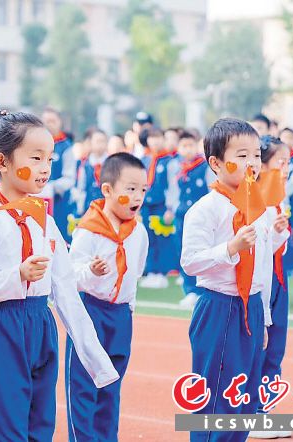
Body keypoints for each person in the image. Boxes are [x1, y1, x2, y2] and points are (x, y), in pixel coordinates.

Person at [0, 110, 119, 440]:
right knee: (3, 428)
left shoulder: (44, 220)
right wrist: (16, 276)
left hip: (41, 326)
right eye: (36, 157)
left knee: (40, 426)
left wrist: (96, 360)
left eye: (50, 158)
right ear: (2, 162)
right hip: (1, 327)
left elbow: (64, 286)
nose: (46, 167)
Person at [181, 118, 289, 442]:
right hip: (218, 306)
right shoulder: (205, 209)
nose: (252, 163)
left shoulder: (260, 208)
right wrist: (230, 248)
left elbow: (263, 268)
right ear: (216, 163)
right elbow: (190, 262)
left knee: (244, 399)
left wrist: (264, 318)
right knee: (215, 397)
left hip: (252, 308)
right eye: (241, 156)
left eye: (256, 155)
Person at [66, 152, 149, 441]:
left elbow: (134, 273)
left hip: (120, 315)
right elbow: (71, 277)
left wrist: (130, 309)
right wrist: (91, 272)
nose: (138, 197)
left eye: (143, 190)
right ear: (107, 190)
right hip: (91, 311)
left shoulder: (138, 232)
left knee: (111, 385)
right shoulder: (89, 231)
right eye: (131, 188)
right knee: (84, 384)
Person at [247, 135, 293, 440]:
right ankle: (250, 412)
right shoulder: (250, 198)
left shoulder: (278, 198)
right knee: (256, 345)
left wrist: (279, 233)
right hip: (256, 278)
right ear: (262, 165)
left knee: (275, 344)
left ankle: (264, 408)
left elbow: (277, 244)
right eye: (281, 162)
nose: (286, 169)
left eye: (288, 162)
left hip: (278, 277)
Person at [169, 131, 214, 308]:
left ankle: (203, 289)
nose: (187, 149)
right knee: (184, 252)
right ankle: (190, 291)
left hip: (201, 217)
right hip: (181, 215)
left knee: (202, 251)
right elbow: (173, 191)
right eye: (184, 146)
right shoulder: (176, 167)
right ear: (178, 148)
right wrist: (171, 208)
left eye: (191, 145)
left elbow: (212, 189)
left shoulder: (205, 166)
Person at [139, 127, 177, 290]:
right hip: (146, 205)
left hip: (161, 205)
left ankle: (162, 273)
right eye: (151, 138)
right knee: (149, 239)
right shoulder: (145, 160)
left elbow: (172, 187)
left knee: (162, 238)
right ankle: (152, 271)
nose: (154, 141)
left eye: (157, 137)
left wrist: (170, 207)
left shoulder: (169, 161)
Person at [41, 107, 76, 243]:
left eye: (52, 121)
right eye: (46, 121)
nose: (49, 124)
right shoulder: (37, 143)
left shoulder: (65, 146)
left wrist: (51, 186)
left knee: (58, 238)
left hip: (59, 202)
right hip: (38, 200)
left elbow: (69, 178)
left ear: (60, 122)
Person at [73, 128, 109, 217]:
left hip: (107, 207)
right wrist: (80, 208)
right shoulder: (85, 164)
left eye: (103, 141)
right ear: (91, 143)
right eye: (97, 141)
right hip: (89, 207)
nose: (100, 145)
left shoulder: (111, 163)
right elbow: (81, 187)